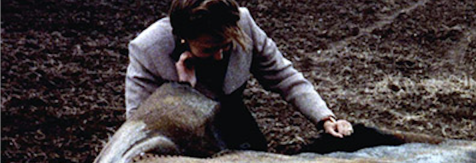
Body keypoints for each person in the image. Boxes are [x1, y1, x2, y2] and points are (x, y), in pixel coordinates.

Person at [125, 0, 353, 150]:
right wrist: (184, 90)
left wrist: (324, 118)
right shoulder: (148, 49)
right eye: (208, 49)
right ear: (183, 36)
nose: (219, 56)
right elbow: (139, 127)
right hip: (181, 140)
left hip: (233, 118)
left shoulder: (244, 23)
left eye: (226, 46)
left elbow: (284, 76)